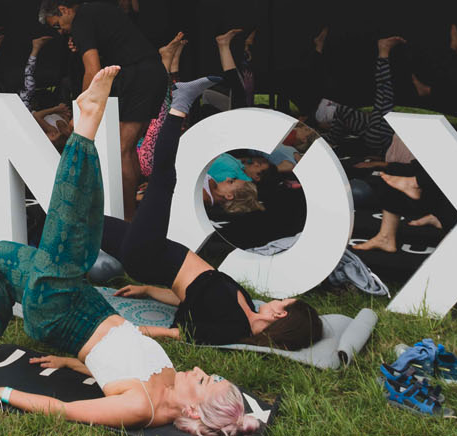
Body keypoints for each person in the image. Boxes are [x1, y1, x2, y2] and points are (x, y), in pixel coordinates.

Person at [0, 67, 259, 435]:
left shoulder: (142, 406)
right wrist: (71, 364)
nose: (201, 371)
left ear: (193, 410)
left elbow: (67, 410)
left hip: (58, 311)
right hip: (84, 303)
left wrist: (3, 393)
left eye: (206, 381)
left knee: (71, 227)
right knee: (4, 254)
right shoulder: (173, 381)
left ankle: (88, 124)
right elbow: (116, 362)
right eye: (212, 374)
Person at [108, 74, 324, 349]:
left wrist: (134, 330)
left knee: (163, 178)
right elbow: (191, 296)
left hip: (149, 255)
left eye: (284, 302)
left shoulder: (234, 327)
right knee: (90, 225)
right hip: (154, 253)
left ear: (281, 313)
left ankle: (180, 102)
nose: (279, 300)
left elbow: (187, 334)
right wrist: (148, 290)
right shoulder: (246, 303)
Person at [39, 0, 166, 217]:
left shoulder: (80, 21)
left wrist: (80, 112)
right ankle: (132, 214)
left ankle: (126, 218)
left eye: (58, 25)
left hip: (138, 77)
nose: (61, 32)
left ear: (64, 9)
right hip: (150, 73)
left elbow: (93, 69)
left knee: (121, 148)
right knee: (126, 149)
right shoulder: (97, 8)